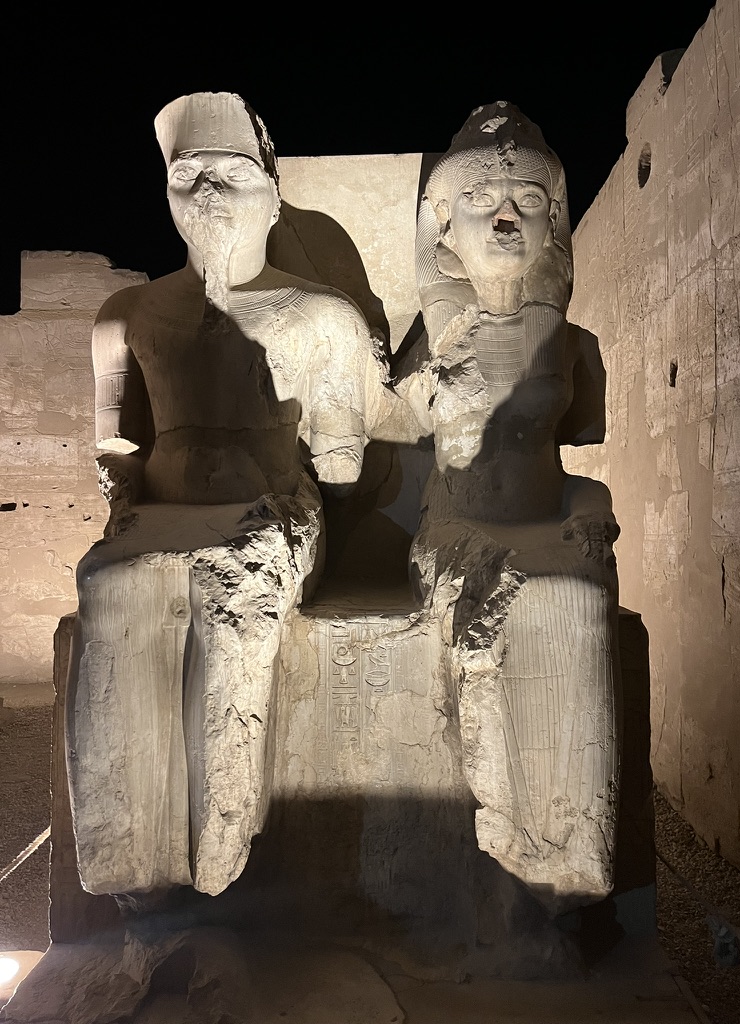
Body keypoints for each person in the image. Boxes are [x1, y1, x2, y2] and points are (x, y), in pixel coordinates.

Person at [66, 93, 385, 903]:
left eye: (230, 172)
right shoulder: (125, 318)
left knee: (233, 586)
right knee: (109, 590)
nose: (207, 190)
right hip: (163, 518)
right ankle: (124, 861)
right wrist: (126, 488)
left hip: (268, 514)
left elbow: (340, 470)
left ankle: (219, 844)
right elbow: (120, 445)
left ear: (272, 191)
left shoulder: (322, 319)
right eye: (187, 175)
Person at [402, 102, 620, 913]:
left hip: (543, 525)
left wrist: (589, 511)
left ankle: (574, 852)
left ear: (553, 221)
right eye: (482, 203)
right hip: (456, 528)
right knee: (501, 605)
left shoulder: (571, 345)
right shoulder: (431, 341)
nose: (503, 216)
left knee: (578, 598)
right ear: (442, 225)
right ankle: (513, 833)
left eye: (528, 202)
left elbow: (584, 469)